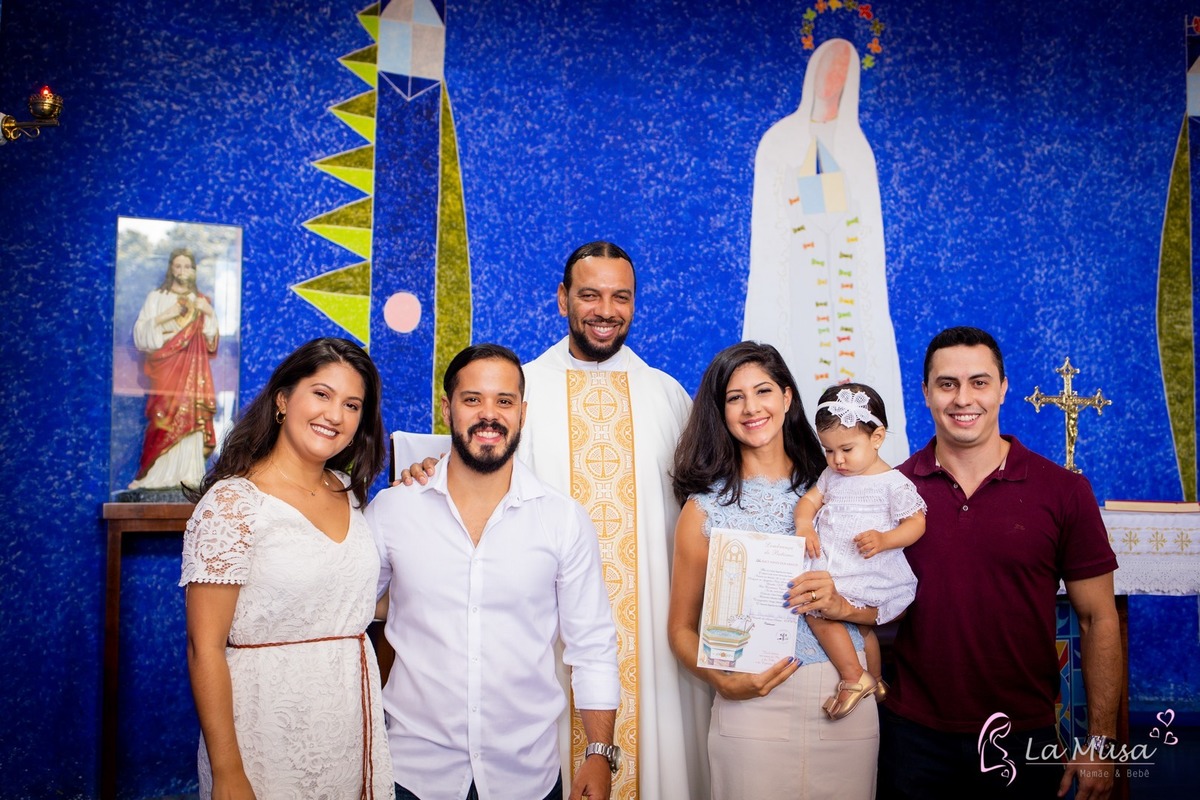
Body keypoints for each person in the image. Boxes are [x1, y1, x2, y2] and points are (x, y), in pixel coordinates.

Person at [402, 242, 710, 800]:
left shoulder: (667, 396)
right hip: (532, 646)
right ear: (563, 299)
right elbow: (469, 465)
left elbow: (710, 505)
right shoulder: (520, 390)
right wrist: (425, 467)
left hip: (649, 641)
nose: (605, 310)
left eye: (621, 297)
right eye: (590, 295)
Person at [369, 344, 620, 800]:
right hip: (412, 774)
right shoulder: (392, 510)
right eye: (473, 399)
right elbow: (346, 614)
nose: (489, 414)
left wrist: (599, 753)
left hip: (527, 776)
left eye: (504, 401)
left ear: (522, 412)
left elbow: (592, 647)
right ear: (447, 409)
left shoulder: (563, 519)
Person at [878, 326, 1120, 800]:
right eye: (947, 384)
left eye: (979, 382)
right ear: (925, 392)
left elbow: (1098, 619)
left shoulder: (1064, 491)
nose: (962, 398)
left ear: (1003, 388)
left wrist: (1102, 741)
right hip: (912, 736)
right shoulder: (889, 491)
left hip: (1023, 734)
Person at [180, 337, 392, 799]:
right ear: (282, 400)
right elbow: (203, 647)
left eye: (351, 405)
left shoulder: (348, 492)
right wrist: (228, 771)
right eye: (321, 394)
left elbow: (349, 603)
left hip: (349, 726)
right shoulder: (233, 503)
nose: (334, 415)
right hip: (265, 730)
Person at [668, 341, 879, 799]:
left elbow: (885, 603)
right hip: (751, 703)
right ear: (720, 411)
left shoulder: (845, 486)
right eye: (735, 397)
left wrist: (841, 605)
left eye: (763, 391)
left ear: (787, 397)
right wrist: (721, 680)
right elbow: (680, 629)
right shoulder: (703, 509)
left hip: (845, 693)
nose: (751, 408)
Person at [743, 38, 910, 468]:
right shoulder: (780, 141)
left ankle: (858, 458)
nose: (833, 83)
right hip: (800, 274)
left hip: (845, 280)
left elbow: (866, 228)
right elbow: (772, 223)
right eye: (828, 72)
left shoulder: (856, 149)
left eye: (842, 74)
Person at [792, 383, 925, 720]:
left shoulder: (893, 483)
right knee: (860, 630)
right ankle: (876, 680)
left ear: (876, 438)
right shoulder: (831, 476)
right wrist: (805, 524)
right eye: (828, 450)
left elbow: (916, 523)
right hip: (833, 563)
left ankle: (854, 677)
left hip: (865, 568)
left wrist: (886, 539)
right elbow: (808, 501)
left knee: (817, 610)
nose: (837, 460)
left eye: (847, 449)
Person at [130, 247, 220, 490]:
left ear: (194, 271)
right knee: (162, 417)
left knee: (191, 415)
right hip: (165, 371)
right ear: (171, 269)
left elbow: (210, 342)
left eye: (187, 266)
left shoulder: (201, 302)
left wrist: (209, 313)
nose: (182, 271)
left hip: (193, 373)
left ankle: (189, 473)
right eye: (178, 266)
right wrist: (166, 316)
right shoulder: (156, 297)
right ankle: (153, 475)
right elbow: (141, 336)